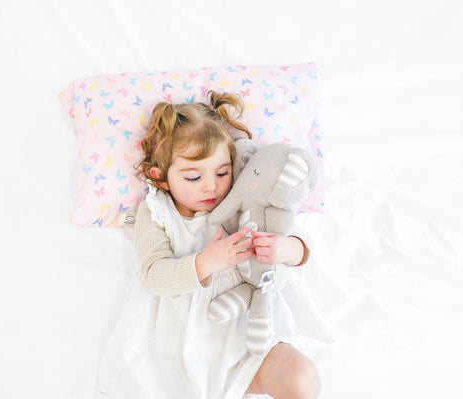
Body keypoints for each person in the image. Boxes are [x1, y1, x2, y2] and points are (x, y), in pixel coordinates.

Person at [95, 91, 321, 399]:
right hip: (180, 344)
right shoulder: (158, 212)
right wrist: (206, 262)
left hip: (245, 333)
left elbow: (289, 228)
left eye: (222, 172)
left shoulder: (241, 193)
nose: (211, 186)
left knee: (301, 378)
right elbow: (153, 273)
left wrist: (289, 249)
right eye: (192, 177)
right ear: (161, 179)